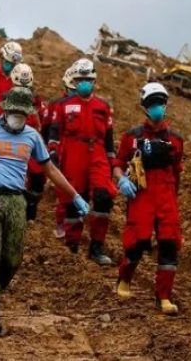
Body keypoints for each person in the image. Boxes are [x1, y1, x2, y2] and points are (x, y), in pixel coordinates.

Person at [0, 87, 89, 334]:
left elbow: (50, 169)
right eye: (15, 112)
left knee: (12, 258)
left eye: (24, 114)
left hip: (15, 201)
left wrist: (75, 196)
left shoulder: (31, 137)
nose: (19, 117)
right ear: (5, 109)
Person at [113, 83, 184, 315]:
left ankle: (163, 296)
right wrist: (122, 180)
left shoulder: (175, 139)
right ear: (144, 107)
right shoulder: (132, 137)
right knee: (137, 242)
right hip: (142, 193)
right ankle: (124, 279)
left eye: (160, 103)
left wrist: (174, 198)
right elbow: (117, 164)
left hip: (166, 195)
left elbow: (177, 171)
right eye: (152, 104)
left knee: (169, 244)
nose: (157, 108)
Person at [47, 58, 116, 265]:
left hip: (97, 153)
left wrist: (111, 162)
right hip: (73, 153)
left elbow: (110, 138)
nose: (84, 83)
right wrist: (53, 153)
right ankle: (72, 245)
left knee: (104, 197)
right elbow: (54, 131)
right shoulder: (64, 106)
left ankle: (96, 246)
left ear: (94, 81)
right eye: (80, 79)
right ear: (75, 81)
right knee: (74, 199)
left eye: (88, 79)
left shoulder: (103, 107)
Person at [3, 64, 47, 221]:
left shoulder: (36, 99)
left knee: (37, 176)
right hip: (10, 141)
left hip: (30, 141)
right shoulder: (6, 97)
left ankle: (30, 212)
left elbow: (43, 117)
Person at [43, 63, 78, 237]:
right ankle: (60, 222)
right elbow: (47, 127)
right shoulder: (57, 104)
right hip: (61, 148)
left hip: (77, 150)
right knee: (62, 187)